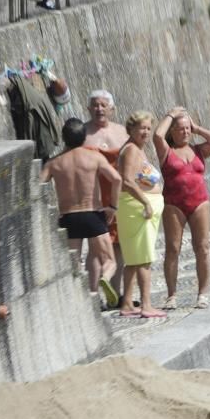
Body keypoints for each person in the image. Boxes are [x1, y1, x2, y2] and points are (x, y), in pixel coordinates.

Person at [39, 118, 122, 307]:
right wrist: (113, 207)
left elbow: (37, 187)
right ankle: (104, 278)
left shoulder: (54, 163)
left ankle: (79, 301)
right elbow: (116, 179)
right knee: (109, 261)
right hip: (93, 214)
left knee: (73, 265)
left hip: (68, 217)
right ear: (84, 136)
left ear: (63, 137)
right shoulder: (95, 157)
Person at [154, 107, 210, 310]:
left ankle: (202, 294)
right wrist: (170, 115)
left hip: (199, 202)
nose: (185, 132)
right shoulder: (166, 151)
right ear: (172, 131)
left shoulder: (199, 150)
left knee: (202, 247)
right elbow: (158, 135)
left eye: (187, 129)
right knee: (173, 248)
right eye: (180, 129)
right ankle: (171, 295)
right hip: (174, 203)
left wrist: (196, 128)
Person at [116, 111, 166, 319]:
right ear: (131, 129)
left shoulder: (136, 149)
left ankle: (127, 303)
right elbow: (127, 181)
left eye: (148, 128)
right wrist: (146, 202)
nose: (145, 132)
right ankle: (146, 305)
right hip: (137, 208)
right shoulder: (130, 150)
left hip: (137, 207)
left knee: (135, 260)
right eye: (141, 128)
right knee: (144, 259)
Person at [84, 90, 129, 298]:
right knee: (95, 246)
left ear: (112, 108)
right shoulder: (82, 133)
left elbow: (134, 160)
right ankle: (94, 295)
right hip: (93, 197)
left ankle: (117, 294)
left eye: (103, 105)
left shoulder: (122, 132)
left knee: (119, 246)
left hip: (118, 197)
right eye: (95, 105)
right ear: (88, 108)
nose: (99, 109)